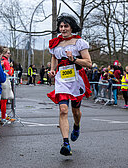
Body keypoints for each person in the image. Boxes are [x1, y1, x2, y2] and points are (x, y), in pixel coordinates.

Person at [47, 14, 92, 156]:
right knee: (63, 109)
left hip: (76, 78)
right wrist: (52, 70)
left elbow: (88, 63)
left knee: (75, 111)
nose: (63, 29)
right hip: (62, 79)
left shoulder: (79, 42)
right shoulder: (55, 43)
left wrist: (74, 59)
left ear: (71, 27)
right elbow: (54, 57)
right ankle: (66, 143)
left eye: (66, 26)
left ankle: (77, 126)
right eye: (61, 26)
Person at [0, 47, 12, 123]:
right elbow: (9, 72)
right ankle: (3, 117)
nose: (9, 54)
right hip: (5, 81)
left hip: (0, 81)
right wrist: (11, 68)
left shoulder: (1, 60)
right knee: (4, 100)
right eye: (8, 53)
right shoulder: (5, 61)